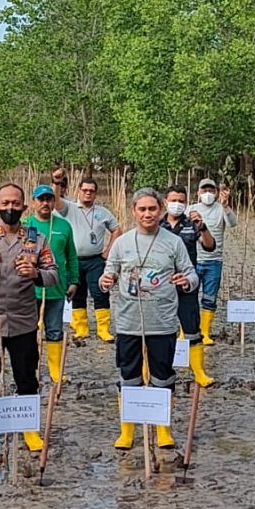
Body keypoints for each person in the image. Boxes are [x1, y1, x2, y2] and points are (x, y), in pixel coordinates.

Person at [0, 184, 59, 457]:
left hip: (24, 322)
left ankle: (30, 432)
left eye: (16, 203)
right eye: (5, 203)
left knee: (27, 379)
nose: (10, 208)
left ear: (24, 208)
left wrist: (35, 273)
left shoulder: (36, 240)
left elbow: (54, 274)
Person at [101, 188, 198, 449]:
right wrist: (106, 281)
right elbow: (107, 275)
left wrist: (185, 281)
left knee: (162, 376)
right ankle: (127, 431)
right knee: (129, 376)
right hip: (128, 322)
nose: (147, 214)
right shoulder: (121, 243)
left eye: (152, 209)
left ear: (161, 210)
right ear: (133, 212)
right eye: (142, 209)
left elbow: (192, 274)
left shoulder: (174, 242)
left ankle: (162, 429)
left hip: (163, 322)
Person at [161, 184, 217, 387]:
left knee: (192, 329)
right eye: (173, 200)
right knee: (159, 331)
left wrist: (202, 227)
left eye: (181, 201)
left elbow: (210, 246)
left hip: (187, 285)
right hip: (161, 286)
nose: (176, 204)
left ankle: (199, 372)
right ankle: (158, 369)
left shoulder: (191, 223)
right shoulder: (157, 225)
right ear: (165, 202)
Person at [22, 185, 78, 383]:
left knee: (54, 331)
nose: (45, 203)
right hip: (28, 291)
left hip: (56, 288)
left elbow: (72, 257)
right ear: (34, 202)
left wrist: (74, 281)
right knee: (28, 332)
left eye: (49, 199)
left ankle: (56, 373)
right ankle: (30, 370)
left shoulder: (64, 226)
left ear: (54, 202)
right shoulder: (25, 225)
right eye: (41, 199)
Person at [66, 177, 122, 342]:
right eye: (85, 190)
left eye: (91, 191)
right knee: (77, 293)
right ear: (79, 191)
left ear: (96, 193)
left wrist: (108, 250)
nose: (88, 193)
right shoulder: (69, 209)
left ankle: (103, 329)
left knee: (101, 292)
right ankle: (81, 328)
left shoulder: (102, 212)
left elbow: (116, 229)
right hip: (74, 260)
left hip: (95, 260)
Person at [188, 178, 238, 346]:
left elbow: (233, 223)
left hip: (214, 261)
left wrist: (225, 205)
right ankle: (187, 330)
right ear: (198, 193)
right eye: (204, 190)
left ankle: (205, 332)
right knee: (189, 297)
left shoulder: (221, 209)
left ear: (217, 193)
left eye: (211, 190)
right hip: (193, 260)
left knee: (210, 298)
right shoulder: (191, 209)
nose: (207, 194)